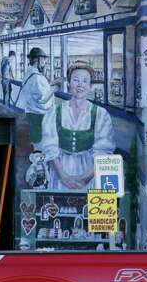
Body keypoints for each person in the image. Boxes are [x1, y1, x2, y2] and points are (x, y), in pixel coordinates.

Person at [39, 62, 115, 190]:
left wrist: (84, 178)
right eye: (76, 80)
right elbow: (49, 147)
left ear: (90, 86)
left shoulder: (100, 114)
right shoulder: (54, 112)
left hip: (89, 169)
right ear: (68, 84)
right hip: (60, 169)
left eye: (85, 81)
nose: (80, 85)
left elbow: (104, 152)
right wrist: (63, 177)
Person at [16, 47, 56, 149]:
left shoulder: (29, 74)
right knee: (40, 142)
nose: (44, 63)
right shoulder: (37, 77)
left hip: (31, 112)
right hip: (39, 115)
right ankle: (39, 161)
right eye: (43, 60)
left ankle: (36, 158)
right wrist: (54, 88)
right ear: (37, 60)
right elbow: (43, 99)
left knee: (35, 139)